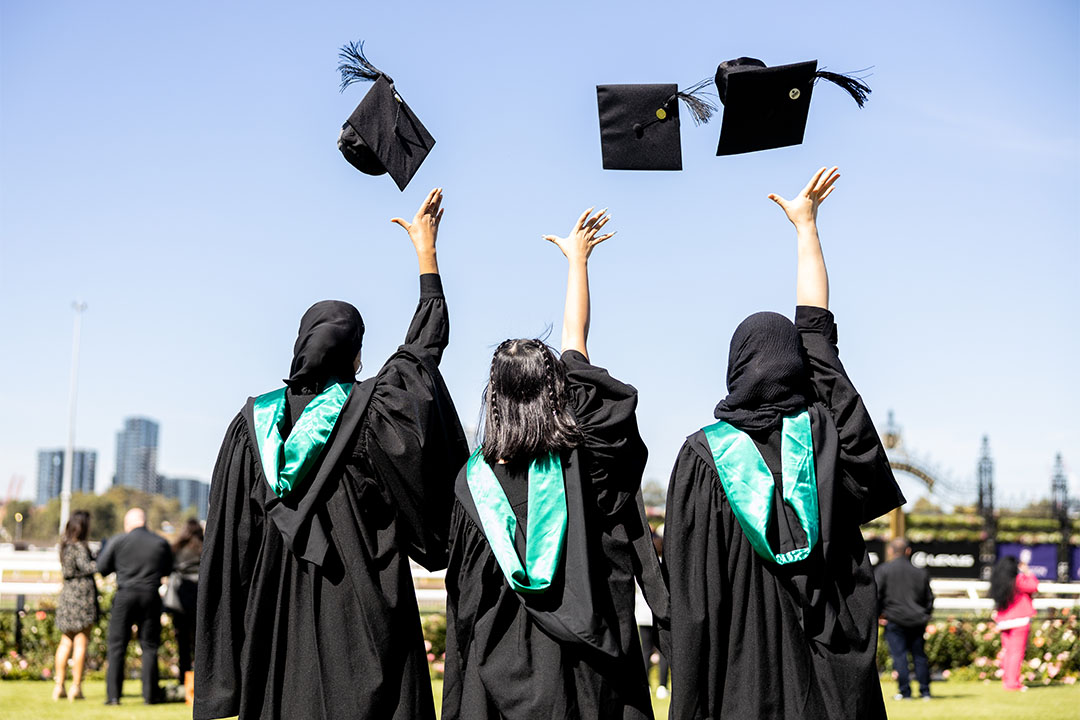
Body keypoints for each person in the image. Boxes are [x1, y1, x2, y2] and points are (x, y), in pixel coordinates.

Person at [194, 188, 468, 720]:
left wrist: (222, 674)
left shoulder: (252, 428)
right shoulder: (373, 409)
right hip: (363, 611)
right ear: (356, 354)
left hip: (276, 616)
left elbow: (229, 546)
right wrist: (427, 256)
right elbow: (423, 350)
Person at [664, 167, 906, 720]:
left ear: (736, 368)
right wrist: (807, 229)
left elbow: (692, 594)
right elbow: (820, 343)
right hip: (827, 674)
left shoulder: (702, 459)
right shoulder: (826, 436)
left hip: (741, 676)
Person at [442, 208, 668, 719]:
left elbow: (468, 598)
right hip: (588, 674)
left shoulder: (474, 486)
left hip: (500, 676)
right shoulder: (582, 461)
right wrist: (577, 262)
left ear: (493, 399)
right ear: (557, 393)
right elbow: (576, 351)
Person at [97, 507, 174, 705]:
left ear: (128, 523)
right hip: (151, 595)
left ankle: (114, 696)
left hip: (125, 595)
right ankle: (150, 695)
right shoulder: (160, 542)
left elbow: (102, 568)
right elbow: (168, 568)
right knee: (149, 646)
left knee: (117, 646)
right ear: (145, 522)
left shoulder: (119, 541)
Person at [875, 537, 934, 700]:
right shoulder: (920, 572)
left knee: (899, 656)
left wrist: (878, 615)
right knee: (919, 656)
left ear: (890, 551)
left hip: (894, 619)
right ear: (908, 551)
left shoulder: (883, 570)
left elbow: (876, 595)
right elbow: (929, 599)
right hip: (917, 620)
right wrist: (925, 614)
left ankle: (904, 691)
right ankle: (925, 691)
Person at [53, 510, 98, 702]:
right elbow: (87, 567)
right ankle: (76, 687)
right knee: (81, 641)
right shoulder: (79, 547)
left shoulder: (64, 546)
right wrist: (100, 561)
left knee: (65, 641)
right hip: (82, 596)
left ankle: (58, 685)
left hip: (68, 594)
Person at [990, 555, 1039, 691]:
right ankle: (1013, 683)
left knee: (1008, 652)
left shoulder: (1000, 581)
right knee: (1016, 653)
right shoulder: (1017, 581)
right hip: (1019, 620)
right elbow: (1034, 586)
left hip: (1004, 620)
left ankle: (1008, 681)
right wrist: (1027, 572)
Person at [168, 518, 203, 687]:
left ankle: (184, 678)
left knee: (182, 642)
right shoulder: (204, 548)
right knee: (200, 642)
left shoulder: (176, 549)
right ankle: (201, 680)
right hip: (200, 600)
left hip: (180, 601)